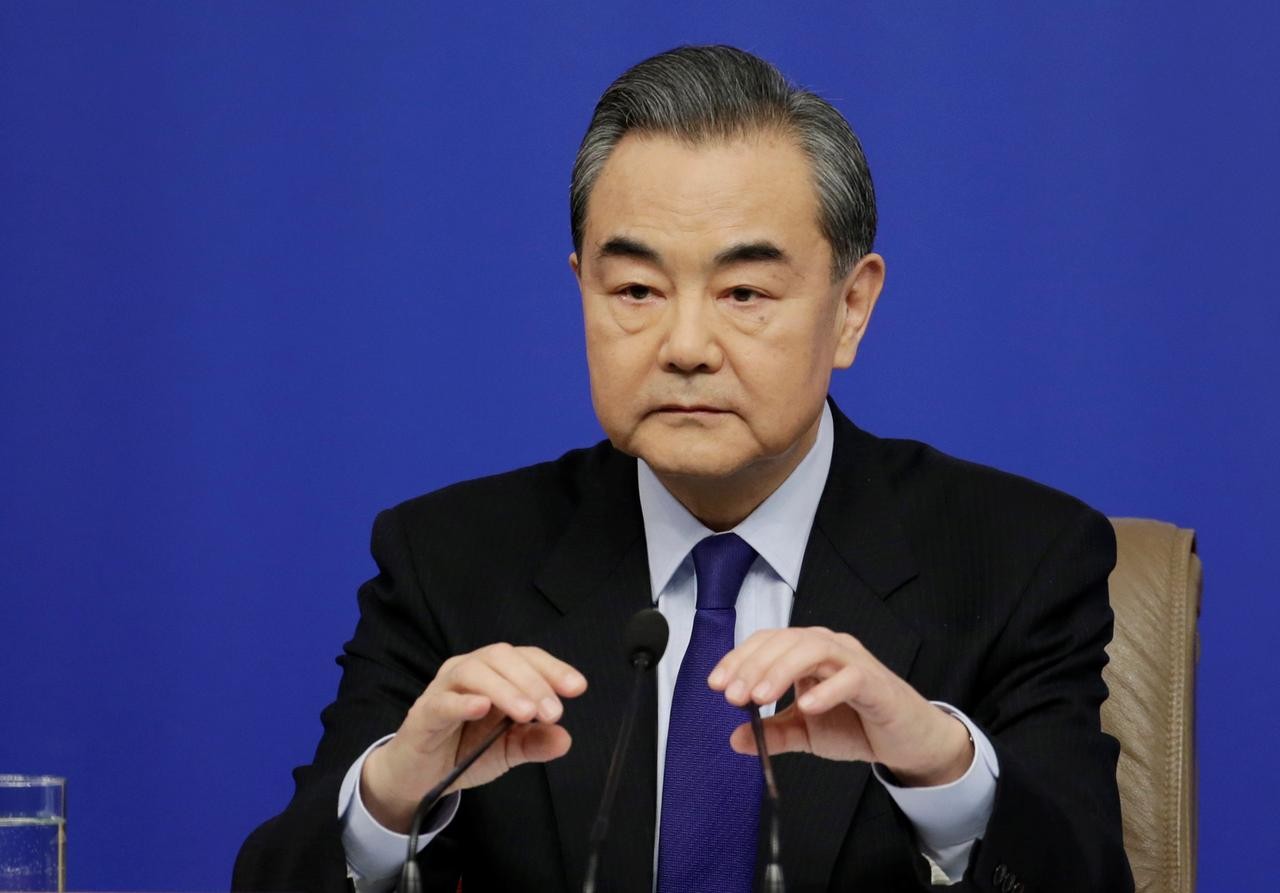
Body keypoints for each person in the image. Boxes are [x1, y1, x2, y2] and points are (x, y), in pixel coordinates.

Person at [233, 45, 1133, 892]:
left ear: (851, 308)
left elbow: (1089, 872)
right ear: (582, 290)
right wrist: (391, 801)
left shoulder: (1019, 559)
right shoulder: (449, 561)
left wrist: (943, 770)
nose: (686, 345)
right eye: (636, 290)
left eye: (744, 293)